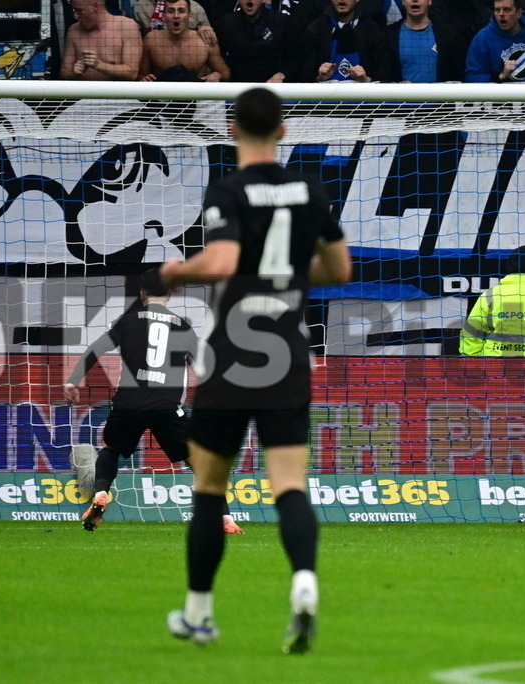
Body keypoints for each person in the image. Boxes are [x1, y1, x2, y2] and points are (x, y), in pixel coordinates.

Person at [161, 87, 351, 652]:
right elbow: (339, 269)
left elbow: (221, 261)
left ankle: (198, 613)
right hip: (287, 358)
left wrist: (175, 271)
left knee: (210, 490)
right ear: (284, 131)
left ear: (232, 128)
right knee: (290, 486)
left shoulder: (227, 190)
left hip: (231, 360)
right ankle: (304, 584)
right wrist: (290, 276)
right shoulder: (311, 192)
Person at [63, 269, 243, 535]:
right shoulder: (182, 325)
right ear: (170, 294)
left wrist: (73, 381)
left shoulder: (127, 320)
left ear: (141, 294)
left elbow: (95, 349)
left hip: (127, 404)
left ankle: (101, 492)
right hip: (166, 406)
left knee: (111, 450)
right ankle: (225, 519)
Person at [465, 0, 525, 82]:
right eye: (497, 10)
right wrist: (499, 77)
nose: (501, 14)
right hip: (501, 100)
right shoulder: (482, 39)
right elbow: (472, 77)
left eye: (507, 9)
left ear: (519, 13)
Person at [301, 0, 394, 82]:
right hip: (324, 97)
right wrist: (320, 78)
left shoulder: (372, 30)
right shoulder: (316, 29)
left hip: (363, 96)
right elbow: (304, 71)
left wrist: (366, 79)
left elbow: (384, 70)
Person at [138, 0, 230, 82]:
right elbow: (141, 74)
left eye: (181, 11)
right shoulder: (151, 40)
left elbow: (225, 73)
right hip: (161, 95)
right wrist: (144, 78)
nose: (176, 16)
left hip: (196, 95)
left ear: (190, 16)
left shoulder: (205, 41)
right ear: (164, 17)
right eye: (171, 11)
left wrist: (217, 75)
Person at [214, 0, 300, 83]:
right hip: (236, 88)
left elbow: (295, 58)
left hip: (273, 87)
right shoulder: (226, 23)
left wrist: (281, 75)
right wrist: (218, 73)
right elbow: (218, 56)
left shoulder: (282, 22)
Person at [60, 0, 143, 80]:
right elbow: (64, 72)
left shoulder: (126, 26)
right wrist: (74, 72)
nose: (75, 15)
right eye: (74, 10)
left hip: (116, 92)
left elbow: (131, 73)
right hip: (83, 91)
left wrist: (98, 65)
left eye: (79, 10)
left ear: (95, 6)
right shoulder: (74, 30)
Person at [386, 0, 467, 83]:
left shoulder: (447, 34)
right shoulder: (389, 36)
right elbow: (384, 73)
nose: (415, 0)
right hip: (401, 95)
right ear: (403, 2)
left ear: (429, 1)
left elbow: (458, 73)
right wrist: (396, 86)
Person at [134, 0, 217, 46]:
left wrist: (203, 29)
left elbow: (210, 43)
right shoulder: (141, 6)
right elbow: (136, 40)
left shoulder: (195, 8)